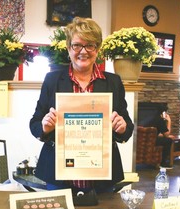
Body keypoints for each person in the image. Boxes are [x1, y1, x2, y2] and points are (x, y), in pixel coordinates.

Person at [29, 17, 134, 194]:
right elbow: (35, 124)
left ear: (98, 49)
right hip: (58, 174)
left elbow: (128, 128)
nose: (83, 51)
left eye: (90, 45)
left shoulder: (113, 82)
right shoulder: (52, 80)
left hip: (103, 175)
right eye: (77, 45)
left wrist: (122, 128)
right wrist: (45, 127)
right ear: (69, 48)